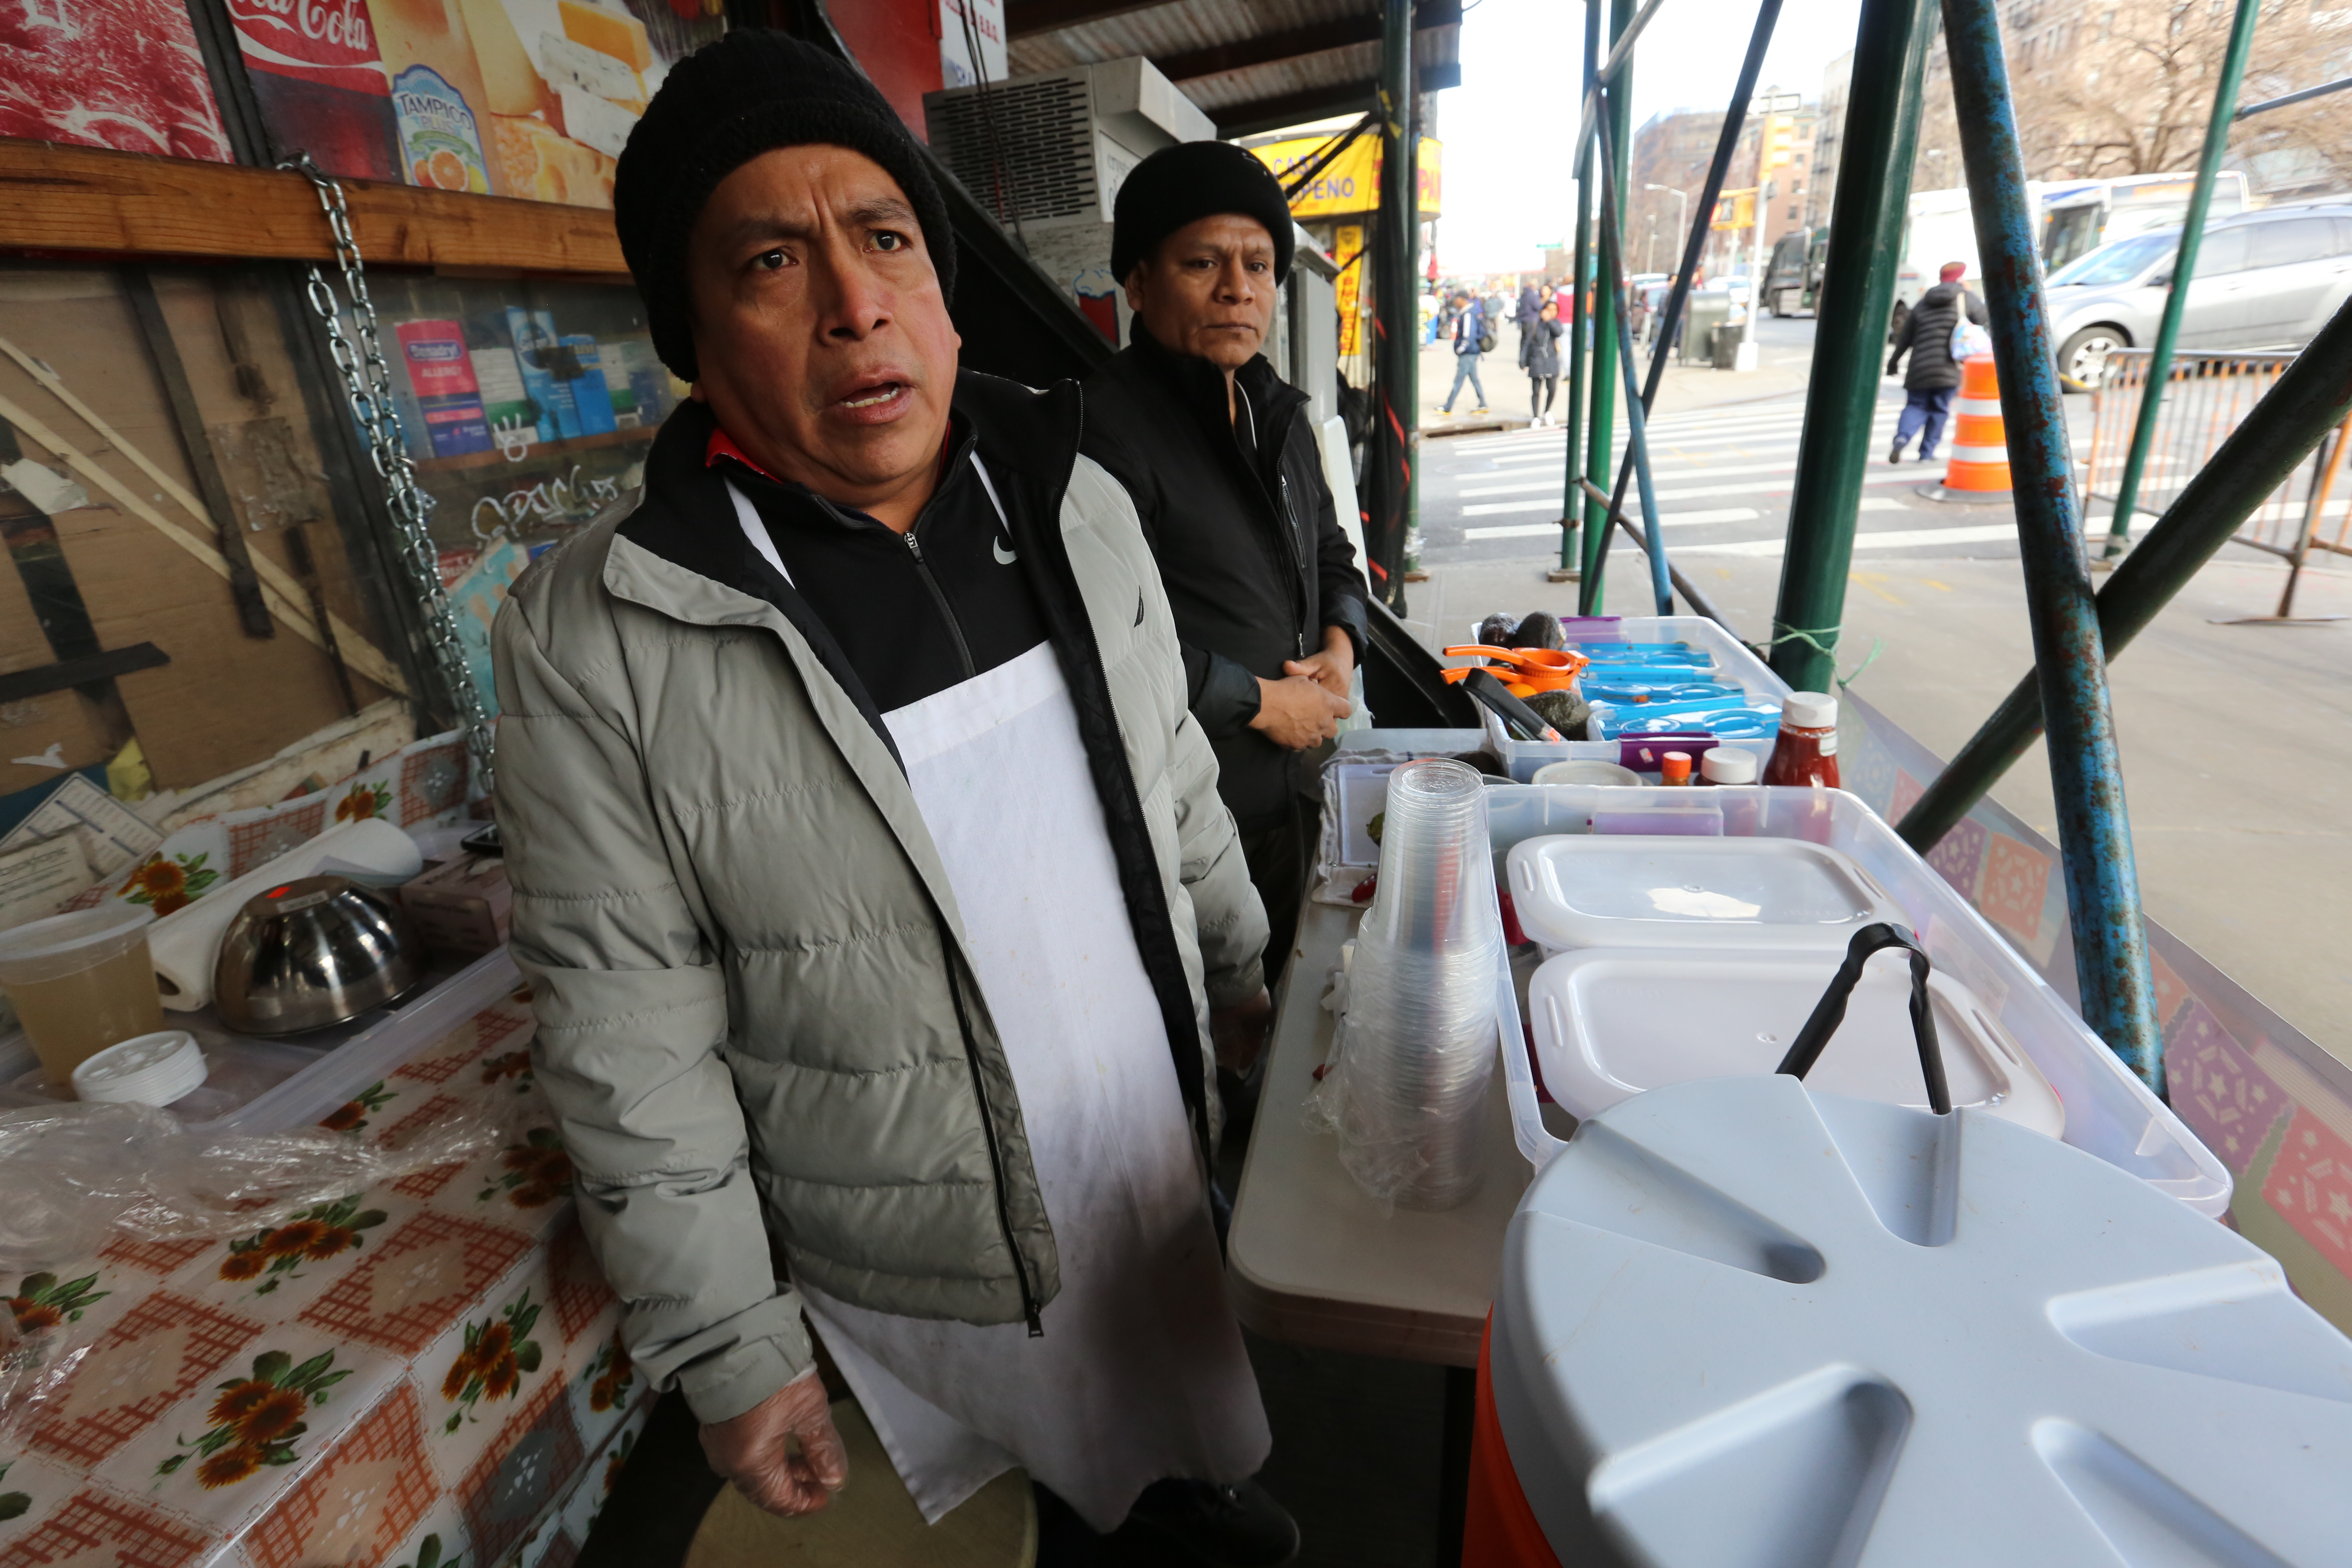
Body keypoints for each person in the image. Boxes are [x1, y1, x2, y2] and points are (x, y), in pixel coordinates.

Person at [493, 31, 1296, 1567]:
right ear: (693, 330)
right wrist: (731, 1350)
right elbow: (622, 1025)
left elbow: (1174, 786)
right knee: (1020, 1509)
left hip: (1144, 1140)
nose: (855, 305)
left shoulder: (1073, 500)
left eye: (883, 240)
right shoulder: (600, 631)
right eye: (772, 263)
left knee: (1176, 1414)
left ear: (935, 276)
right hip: (912, 1232)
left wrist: (1250, 980)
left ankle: (1186, 1500)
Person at [1083, 141, 1369, 1013]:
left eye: (1257, 264)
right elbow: (1096, 642)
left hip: (1304, 793)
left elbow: (1331, 555)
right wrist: (1257, 700)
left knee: (1307, 1005)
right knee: (1233, 1032)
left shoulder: (1277, 412)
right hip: (1198, 822)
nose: (1237, 288)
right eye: (1201, 262)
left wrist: (1340, 645)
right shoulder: (1101, 432)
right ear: (1136, 283)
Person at [1886, 261, 1989, 464]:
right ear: (1961, 277)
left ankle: (1902, 437)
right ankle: (1927, 453)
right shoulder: (1966, 298)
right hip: (1949, 367)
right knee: (1939, 409)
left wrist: (1894, 363)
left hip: (1919, 367)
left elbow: (1905, 337)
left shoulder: (1923, 302)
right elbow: (1983, 320)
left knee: (1915, 405)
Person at [1441, 291, 1490, 414]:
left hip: (1468, 353)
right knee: (1474, 379)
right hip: (1473, 352)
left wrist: (1460, 349)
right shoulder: (1470, 313)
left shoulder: (1468, 314)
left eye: (1457, 299)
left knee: (1459, 380)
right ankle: (1483, 404)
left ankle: (1448, 407)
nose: (1455, 302)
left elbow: (1468, 336)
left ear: (1462, 300)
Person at [1521, 300, 1564, 425]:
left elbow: (1559, 333)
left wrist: (1549, 321)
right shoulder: (1535, 325)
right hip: (1537, 360)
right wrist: (1523, 361)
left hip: (1551, 360)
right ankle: (1536, 416)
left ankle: (1547, 411)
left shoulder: (1555, 324)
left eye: (1555, 311)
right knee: (1536, 391)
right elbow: (1527, 343)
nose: (1552, 313)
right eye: (1549, 310)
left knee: (1552, 389)